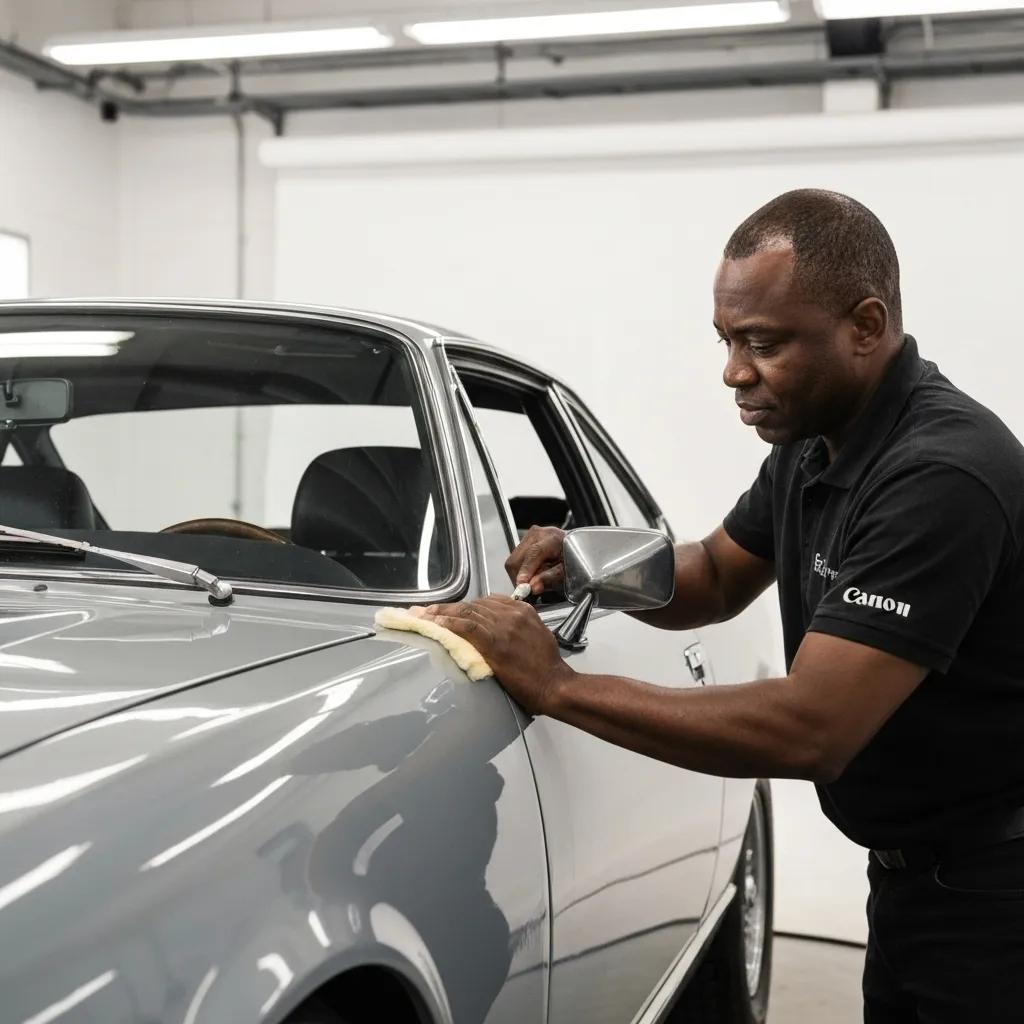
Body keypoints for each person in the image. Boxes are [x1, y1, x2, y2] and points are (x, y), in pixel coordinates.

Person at [420, 188, 1024, 1022]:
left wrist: (553, 686)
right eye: (728, 340)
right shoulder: (815, 443)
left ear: (866, 325)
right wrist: (587, 559)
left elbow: (811, 727)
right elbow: (709, 575)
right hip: (918, 879)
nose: (734, 371)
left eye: (763, 343)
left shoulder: (941, 475)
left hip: (996, 898)